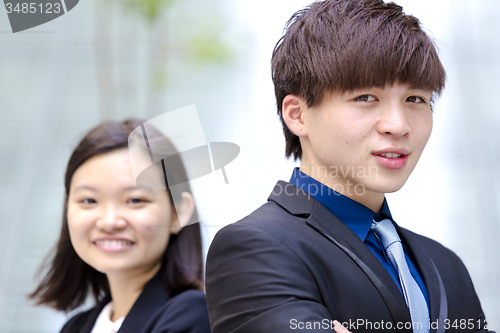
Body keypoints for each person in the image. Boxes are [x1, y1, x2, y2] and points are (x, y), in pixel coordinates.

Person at [205, 1, 494, 333]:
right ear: (298, 114)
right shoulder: (255, 248)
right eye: (365, 98)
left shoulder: (445, 264)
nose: (398, 126)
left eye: (415, 99)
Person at [29, 119, 211, 333]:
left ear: (178, 212)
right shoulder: (75, 327)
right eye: (89, 200)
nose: (109, 221)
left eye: (135, 200)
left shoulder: (194, 317)